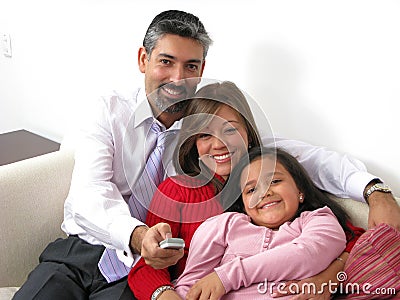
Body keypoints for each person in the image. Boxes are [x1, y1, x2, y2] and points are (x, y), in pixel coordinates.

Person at [13, 9, 400, 300]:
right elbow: (88, 193)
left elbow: (296, 157)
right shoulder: (109, 112)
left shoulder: (204, 119)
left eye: (191, 65)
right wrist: (138, 235)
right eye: (166, 62)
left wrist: (373, 188)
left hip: (154, 266)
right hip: (90, 250)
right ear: (143, 60)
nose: (178, 78)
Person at [128, 81, 365, 300]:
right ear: (193, 143)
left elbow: (351, 238)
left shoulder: (276, 185)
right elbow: (148, 265)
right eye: (205, 135)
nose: (219, 143)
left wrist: (327, 279)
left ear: (248, 134)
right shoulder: (176, 191)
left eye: (230, 130)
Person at [173, 146, 349, 299]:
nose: (264, 193)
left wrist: (228, 276)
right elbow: (189, 285)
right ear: (243, 204)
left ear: (300, 189)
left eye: (275, 181)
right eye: (251, 190)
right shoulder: (224, 225)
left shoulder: (319, 220)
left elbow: (308, 255)